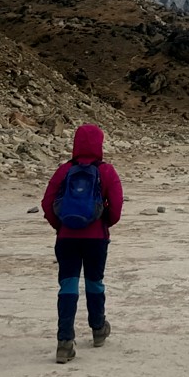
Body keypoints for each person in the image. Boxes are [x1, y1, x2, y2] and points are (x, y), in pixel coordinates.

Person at [40, 123, 124, 363]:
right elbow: (116, 208)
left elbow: (47, 202)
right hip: (96, 238)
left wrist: (60, 226)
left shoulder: (64, 170)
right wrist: (103, 223)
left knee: (68, 284)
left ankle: (64, 342)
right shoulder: (106, 171)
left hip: (67, 238)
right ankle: (98, 329)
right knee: (94, 282)